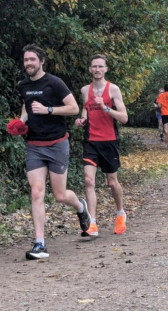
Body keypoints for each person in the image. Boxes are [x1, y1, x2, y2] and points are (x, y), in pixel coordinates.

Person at [8, 44, 91, 260]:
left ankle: (81, 207)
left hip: (56, 144)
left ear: (41, 61)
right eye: (26, 60)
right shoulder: (23, 85)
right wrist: (20, 122)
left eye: (32, 60)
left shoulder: (54, 83)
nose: (28, 63)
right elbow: (27, 106)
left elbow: (73, 108)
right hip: (34, 145)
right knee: (36, 192)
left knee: (60, 195)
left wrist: (48, 110)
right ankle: (39, 244)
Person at [75, 54, 128, 237]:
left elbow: (124, 117)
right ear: (90, 69)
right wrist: (82, 119)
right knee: (89, 181)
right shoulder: (84, 90)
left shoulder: (113, 89)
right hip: (91, 140)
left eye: (100, 67)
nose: (97, 70)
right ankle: (92, 224)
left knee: (112, 183)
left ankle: (120, 213)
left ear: (106, 69)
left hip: (109, 141)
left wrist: (105, 107)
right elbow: (85, 108)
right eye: (94, 67)